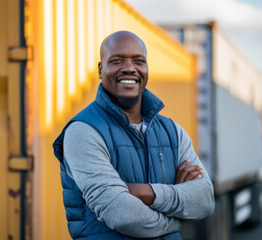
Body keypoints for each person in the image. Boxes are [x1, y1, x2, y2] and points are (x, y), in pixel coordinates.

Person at [53, 31, 214, 239]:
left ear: (146, 69)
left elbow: (205, 199)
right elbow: (119, 213)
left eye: (138, 61)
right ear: (101, 70)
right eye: (117, 60)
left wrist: (146, 192)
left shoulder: (173, 132)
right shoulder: (83, 131)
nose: (129, 68)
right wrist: (176, 216)